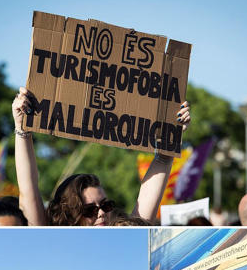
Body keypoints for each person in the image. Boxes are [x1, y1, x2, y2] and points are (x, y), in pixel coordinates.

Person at [12, 87, 191, 226]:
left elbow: (156, 175)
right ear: (67, 215)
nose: (101, 213)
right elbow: (29, 191)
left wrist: (170, 141)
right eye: (89, 210)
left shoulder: (124, 236)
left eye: (105, 205)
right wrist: (21, 128)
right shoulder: (48, 238)